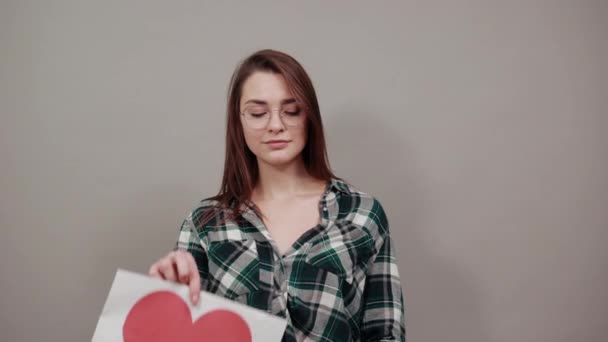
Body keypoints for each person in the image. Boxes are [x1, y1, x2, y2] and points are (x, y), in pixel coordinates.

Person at [148, 49, 406, 341]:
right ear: (239, 121)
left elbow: (386, 333)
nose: (275, 125)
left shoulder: (361, 214)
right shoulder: (205, 223)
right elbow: (180, 334)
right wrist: (166, 294)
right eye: (258, 113)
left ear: (309, 116)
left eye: (291, 110)